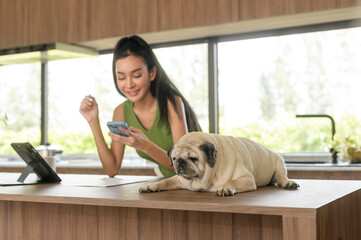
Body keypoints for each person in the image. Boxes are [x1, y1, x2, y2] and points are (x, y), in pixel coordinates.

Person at [79, 35, 201, 178]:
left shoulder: (171, 103)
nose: (129, 84)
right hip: (170, 183)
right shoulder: (121, 111)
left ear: (152, 73)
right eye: (122, 77)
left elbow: (185, 166)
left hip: (201, 182)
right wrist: (93, 121)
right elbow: (112, 169)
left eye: (136, 75)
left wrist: (145, 145)